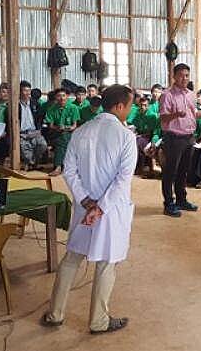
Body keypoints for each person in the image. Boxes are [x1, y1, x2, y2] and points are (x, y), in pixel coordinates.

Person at [41, 84, 136, 335]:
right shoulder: (125, 136)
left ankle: (55, 314)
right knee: (106, 263)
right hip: (110, 210)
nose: (130, 109)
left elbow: (68, 170)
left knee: (72, 258)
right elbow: (122, 179)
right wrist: (101, 207)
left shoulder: (81, 131)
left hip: (86, 207)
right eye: (129, 105)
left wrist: (85, 201)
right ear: (118, 106)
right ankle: (98, 321)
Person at [158, 63, 201, 217]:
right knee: (170, 172)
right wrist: (176, 114)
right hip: (173, 138)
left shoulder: (191, 94)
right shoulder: (167, 95)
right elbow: (163, 117)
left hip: (189, 137)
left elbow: (194, 114)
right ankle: (169, 204)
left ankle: (181, 200)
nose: (184, 78)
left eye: (187, 75)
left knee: (183, 171)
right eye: (181, 75)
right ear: (174, 76)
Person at [45, 88, 80, 176]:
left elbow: (74, 126)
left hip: (71, 133)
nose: (62, 98)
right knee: (62, 139)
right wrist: (58, 128)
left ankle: (58, 166)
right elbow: (51, 125)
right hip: (56, 132)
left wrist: (66, 128)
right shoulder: (52, 109)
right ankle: (63, 166)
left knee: (63, 139)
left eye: (64, 95)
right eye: (59, 96)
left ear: (67, 96)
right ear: (56, 97)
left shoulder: (73, 108)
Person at [17, 81, 48, 170]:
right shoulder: (15, 104)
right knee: (25, 150)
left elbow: (41, 116)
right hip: (22, 133)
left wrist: (39, 128)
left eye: (28, 90)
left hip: (34, 131)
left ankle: (32, 163)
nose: (27, 93)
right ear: (19, 91)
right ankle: (30, 163)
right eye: (24, 90)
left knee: (43, 145)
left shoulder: (35, 103)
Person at [130, 97, 161, 174]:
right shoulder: (138, 115)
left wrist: (153, 141)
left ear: (148, 106)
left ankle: (142, 167)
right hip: (140, 135)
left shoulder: (152, 116)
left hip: (149, 136)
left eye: (145, 105)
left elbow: (154, 132)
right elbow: (134, 126)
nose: (143, 107)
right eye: (141, 105)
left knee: (139, 142)